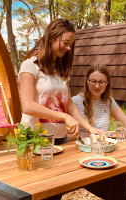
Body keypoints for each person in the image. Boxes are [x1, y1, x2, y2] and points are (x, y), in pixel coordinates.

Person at [19, 18, 81, 147]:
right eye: (65, 42)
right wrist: (64, 117)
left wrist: (90, 129)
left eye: (71, 44)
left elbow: (69, 105)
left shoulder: (62, 71)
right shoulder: (29, 65)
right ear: (52, 37)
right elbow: (28, 106)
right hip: (33, 137)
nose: (69, 48)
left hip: (59, 136)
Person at [72, 64, 126, 136]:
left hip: (104, 145)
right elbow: (65, 137)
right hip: (82, 145)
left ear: (107, 82)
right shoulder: (74, 102)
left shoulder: (108, 101)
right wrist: (85, 136)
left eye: (101, 82)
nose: (97, 86)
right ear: (87, 81)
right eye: (93, 81)